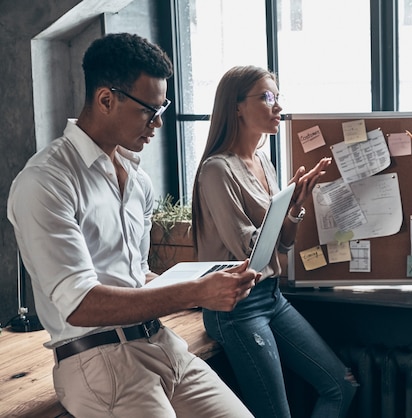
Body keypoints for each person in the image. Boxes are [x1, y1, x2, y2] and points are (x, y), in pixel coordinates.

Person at [7, 33, 259, 418]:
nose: (158, 122)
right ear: (106, 99)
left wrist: (209, 287)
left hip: (162, 343)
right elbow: (79, 304)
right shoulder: (46, 181)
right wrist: (194, 292)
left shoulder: (137, 180)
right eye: (148, 110)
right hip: (97, 360)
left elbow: (135, 276)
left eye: (163, 107)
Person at [191, 65, 358, 418]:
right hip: (236, 308)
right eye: (266, 97)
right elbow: (250, 251)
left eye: (277, 97)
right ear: (236, 107)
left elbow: (281, 245)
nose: (277, 106)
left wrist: (295, 205)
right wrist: (285, 205)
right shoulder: (217, 170)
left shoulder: (264, 162)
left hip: (271, 297)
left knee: (341, 385)